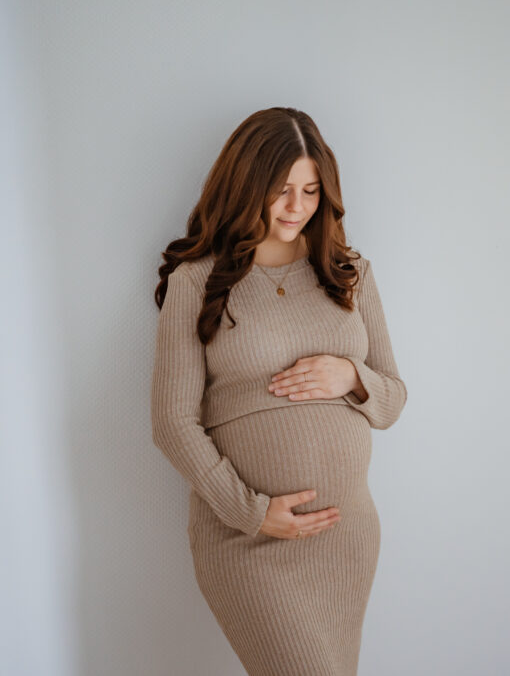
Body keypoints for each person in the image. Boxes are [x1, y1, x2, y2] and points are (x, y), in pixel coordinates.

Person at [150, 107, 407, 675]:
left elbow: (392, 399)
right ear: (246, 186)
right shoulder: (198, 282)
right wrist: (251, 512)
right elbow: (171, 422)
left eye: (311, 191)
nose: (297, 207)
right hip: (249, 540)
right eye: (281, 191)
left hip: (346, 538)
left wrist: (352, 376)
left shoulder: (350, 273)